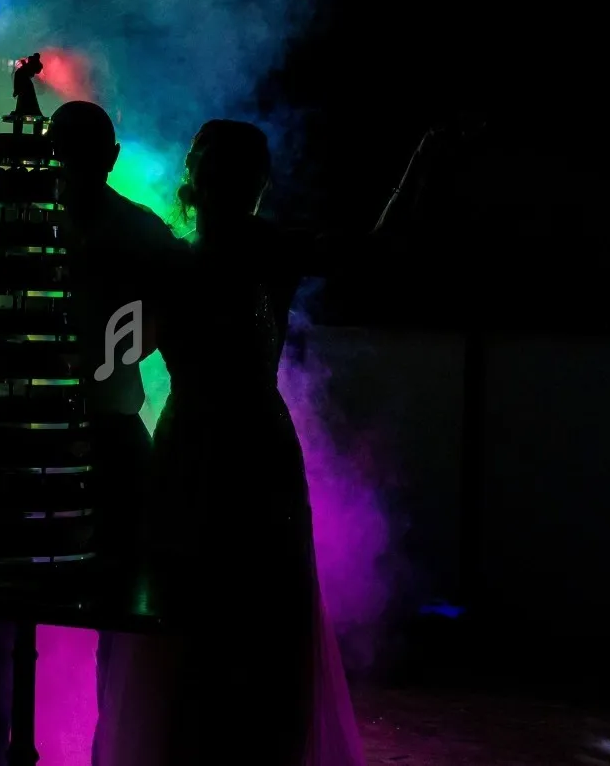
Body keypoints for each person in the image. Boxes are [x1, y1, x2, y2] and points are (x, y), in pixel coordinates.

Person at [0, 0, 184, 766]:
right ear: (111, 154)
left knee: (5, 608)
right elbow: (170, 326)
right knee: (112, 615)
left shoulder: (19, 207)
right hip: (100, 436)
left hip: (25, 440)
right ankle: (107, 753)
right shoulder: (140, 232)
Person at [94, 120, 377, 766]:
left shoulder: (182, 260)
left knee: (213, 610)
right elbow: (374, 249)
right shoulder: (241, 255)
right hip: (239, 446)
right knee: (240, 610)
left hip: (211, 447)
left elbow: (115, 356)